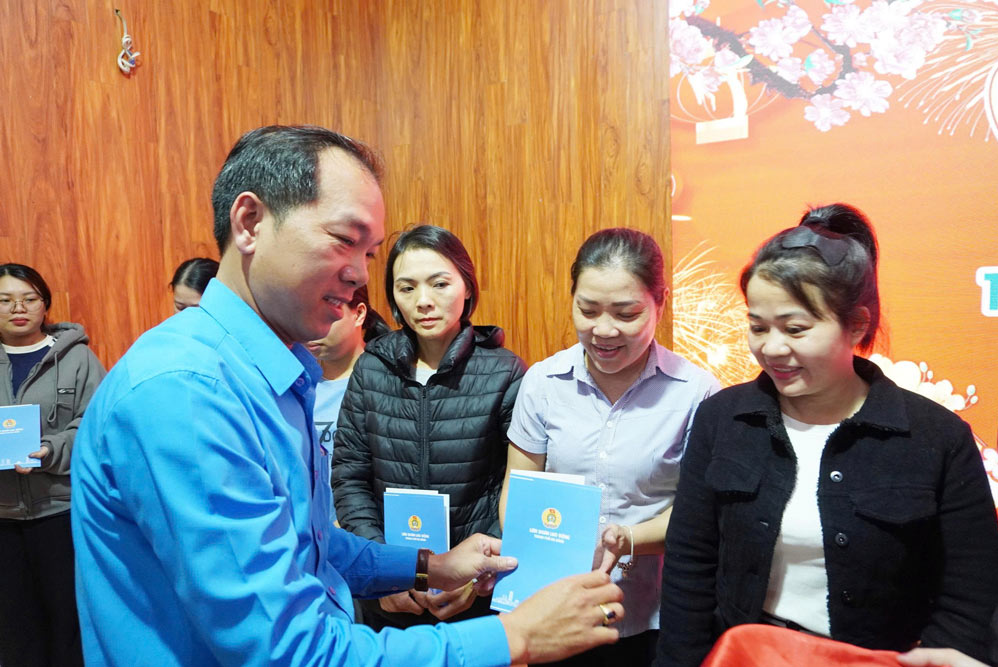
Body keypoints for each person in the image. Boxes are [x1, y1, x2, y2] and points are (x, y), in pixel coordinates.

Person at [71, 125, 625, 667]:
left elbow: (306, 545)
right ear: (250, 223)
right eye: (344, 240)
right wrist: (516, 637)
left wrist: (429, 566)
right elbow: (289, 652)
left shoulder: (273, 372)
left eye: (371, 254)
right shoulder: (188, 393)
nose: (360, 275)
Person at [655, 204, 998, 666]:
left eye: (796, 329)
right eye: (758, 327)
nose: (772, 348)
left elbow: (971, 590)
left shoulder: (937, 437)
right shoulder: (722, 419)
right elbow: (689, 567)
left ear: (856, 324)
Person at [501, 228, 720, 666]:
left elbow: (700, 513)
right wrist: (532, 547)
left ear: (661, 301)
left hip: (653, 614)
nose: (603, 330)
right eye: (588, 309)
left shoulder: (697, 393)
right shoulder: (543, 383)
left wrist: (630, 538)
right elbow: (519, 488)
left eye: (626, 313)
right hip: (557, 606)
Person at [333, 224, 527, 628]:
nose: (424, 301)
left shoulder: (505, 373)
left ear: (468, 288)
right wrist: (384, 571)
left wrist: (473, 575)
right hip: (388, 591)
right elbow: (350, 477)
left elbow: (515, 486)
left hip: (474, 590)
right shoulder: (372, 369)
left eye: (439, 284)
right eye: (407, 289)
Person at [0, 263, 106, 667]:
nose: (18, 308)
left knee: (68, 624)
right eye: (6, 300)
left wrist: (51, 449)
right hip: (2, 518)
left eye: (29, 298)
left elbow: (96, 427)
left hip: (60, 511)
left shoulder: (77, 358)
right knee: (14, 630)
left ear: (45, 304)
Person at [306, 284, 390, 520]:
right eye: (306, 312)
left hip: (368, 535)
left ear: (359, 313)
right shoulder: (298, 385)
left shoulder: (387, 383)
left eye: (327, 313)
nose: (314, 326)